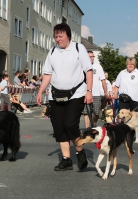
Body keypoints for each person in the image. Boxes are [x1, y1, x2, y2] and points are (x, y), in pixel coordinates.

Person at [36, 23, 93, 172]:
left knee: (70, 124)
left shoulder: (78, 48)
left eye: (60, 36)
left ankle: (80, 151)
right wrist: (40, 91)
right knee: (59, 128)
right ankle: (66, 159)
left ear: (68, 35)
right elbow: (48, 74)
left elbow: (88, 71)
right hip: (56, 95)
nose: (58, 39)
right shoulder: (53, 51)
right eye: (56, 36)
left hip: (76, 93)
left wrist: (89, 91)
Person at [83, 51, 108, 128]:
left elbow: (103, 80)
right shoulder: (82, 66)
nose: (92, 58)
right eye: (90, 56)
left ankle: (93, 124)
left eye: (92, 56)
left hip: (96, 93)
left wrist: (105, 92)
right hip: (85, 92)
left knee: (97, 112)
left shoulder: (98, 66)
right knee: (86, 112)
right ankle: (87, 129)